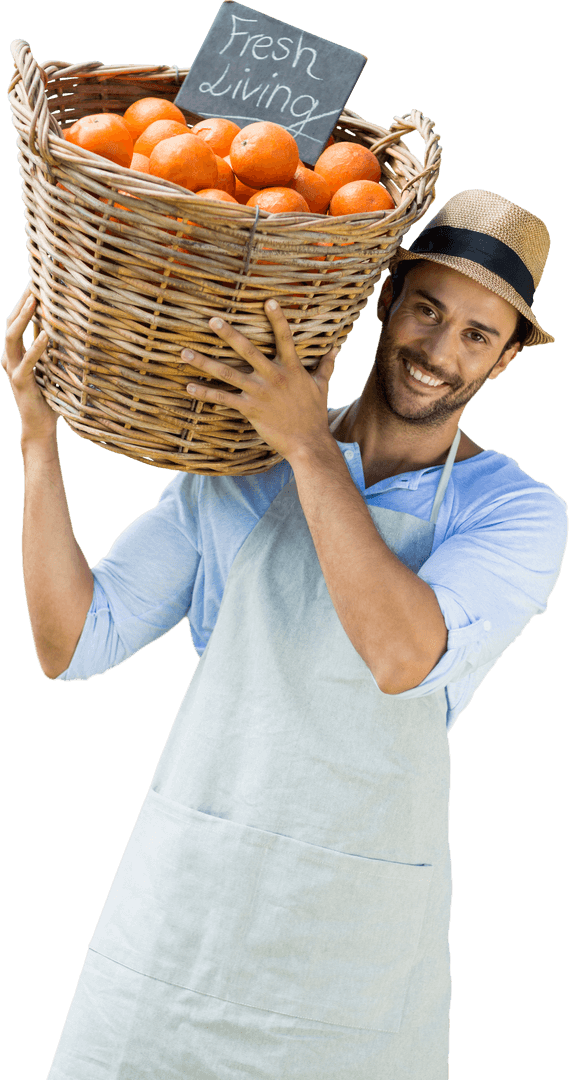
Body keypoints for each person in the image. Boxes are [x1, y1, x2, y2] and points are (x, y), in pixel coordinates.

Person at [2, 188, 567, 1079]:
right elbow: (73, 642)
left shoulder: (517, 515)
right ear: (385, 300)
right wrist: (39, 445)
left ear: (502, 362)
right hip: (187, 914)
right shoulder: (240, 462)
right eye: (427, 310)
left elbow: (401, 656)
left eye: (475, 335)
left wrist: (308, 447)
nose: (439, 351)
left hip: (350, 943)